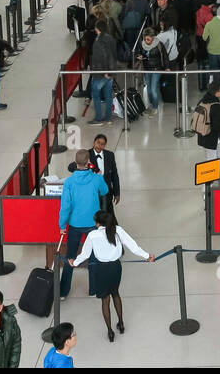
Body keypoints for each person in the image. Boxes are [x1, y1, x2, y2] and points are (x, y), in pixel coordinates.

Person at [69, 210, 154, 342]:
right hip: (115, 268)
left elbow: (85, 254)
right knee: (116, 294)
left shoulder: (92, 235)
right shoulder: (118, 230)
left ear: (97, 223)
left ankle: (110, 331)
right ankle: (121, 324)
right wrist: (147, 256)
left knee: (105, 300)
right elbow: (133, 246)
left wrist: (74, 262)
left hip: (101, 269)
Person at [58, 149, 109, 298]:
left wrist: (62, 225)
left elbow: (65, 206)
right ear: (89, 163)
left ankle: (63, 292)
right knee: (94, 256)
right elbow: (104, 191)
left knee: (70, 257)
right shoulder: (96, 179)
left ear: (75, 163)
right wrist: (100, 176)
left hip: (74, 225)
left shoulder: (69, 182)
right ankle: (93, 290)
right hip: (94, 224)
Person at [89, 19, 118, 125]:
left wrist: (107, 71)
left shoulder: (98, 42)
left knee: (96, 95)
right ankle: (108, 117)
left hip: (100, 73)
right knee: (108, 95)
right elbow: (114, 55)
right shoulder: (111, 39)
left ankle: (98, 118)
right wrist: (111, 72)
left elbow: (107, 56)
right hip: (109, 72)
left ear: (97, 29)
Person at [194, 84, 220, 161]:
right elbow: (216, 127)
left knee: (213, 159)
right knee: (213, 162)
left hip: (202, 135)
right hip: (212, 139)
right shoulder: (217, 107)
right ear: (216, 92)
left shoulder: (202, 101)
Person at [88, 134, 120, 208]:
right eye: (98, 142)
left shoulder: (110, 155)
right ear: (94, 142)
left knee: (107, 216)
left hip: (106, 192)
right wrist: (95, 169)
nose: (100, 146)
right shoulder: (87, 154)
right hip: (92, 193)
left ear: (105, 145)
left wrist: (117, 193)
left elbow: (114, 175)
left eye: (102, 144)